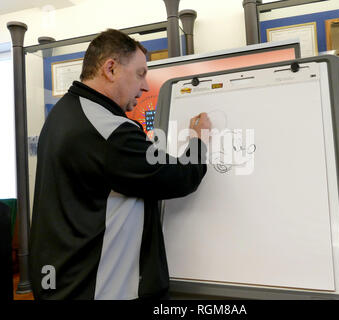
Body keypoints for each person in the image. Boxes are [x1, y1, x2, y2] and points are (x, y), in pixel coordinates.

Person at [29, 29, 211, 300]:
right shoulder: (108, 131)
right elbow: (180, 176)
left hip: (61, 279)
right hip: (97, 287)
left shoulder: (65, 112)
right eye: (140, 74)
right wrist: (199, 139)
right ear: (111, 69)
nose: (146, 86)